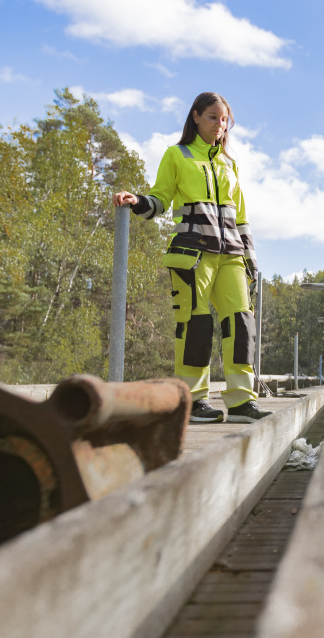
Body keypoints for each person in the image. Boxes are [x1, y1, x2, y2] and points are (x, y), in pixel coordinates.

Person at [113, 92, 272, 424]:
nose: (220, 124)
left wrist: (251, 258)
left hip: (231, 254)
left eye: (224, 119)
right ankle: (194, 401)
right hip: (192, 252)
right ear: (196, 117)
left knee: (241, 324)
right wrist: (137, 201)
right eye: (213, 117)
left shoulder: (229, 164)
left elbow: (241, 216)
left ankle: (242, 402)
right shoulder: (177, 155)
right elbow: (160, 197)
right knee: (196, 324)